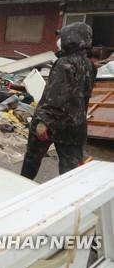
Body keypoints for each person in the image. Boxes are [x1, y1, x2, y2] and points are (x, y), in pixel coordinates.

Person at [21, 22, 95, 179]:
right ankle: (69, 199)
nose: (60, 40)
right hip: (75, 126)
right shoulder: (89, 65)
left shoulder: (64, 63)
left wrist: (42, 121)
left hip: (52, 124)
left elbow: (55, 96)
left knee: (32, 158)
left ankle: (21, 188)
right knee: (70, 170)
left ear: (72, 39)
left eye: (63, 37)